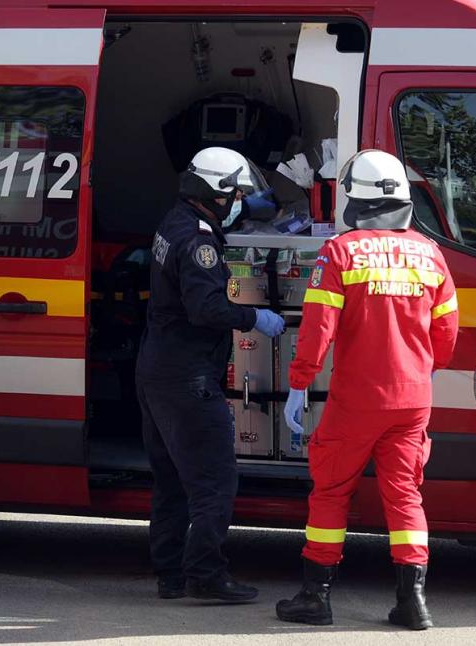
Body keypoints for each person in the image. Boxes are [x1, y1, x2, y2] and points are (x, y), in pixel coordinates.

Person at [275, 149, 459, 629]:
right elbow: (447, 336)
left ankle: (316, 597)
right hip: (413, 399)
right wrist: (422, 371)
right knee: (405, 494)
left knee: (332, 490)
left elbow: (317, 330)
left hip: (358, 398)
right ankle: (413, 602)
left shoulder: (340, 251)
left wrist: (299, 384)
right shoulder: (430, 253)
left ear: (352, 197)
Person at [136, 147, 285, 602]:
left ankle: (170, 573)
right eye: (236, 193)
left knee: (170, 479)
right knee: (214, 480)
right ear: (218, 194)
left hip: (157, 368)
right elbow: (206, 309)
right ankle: (205, 573)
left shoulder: (174, 220)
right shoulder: (199, 242)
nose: (239, 199)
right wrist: (254, 318)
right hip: (187, 377)